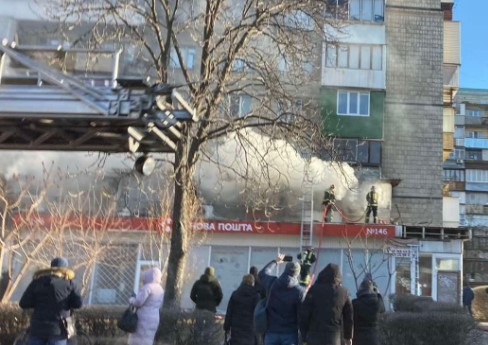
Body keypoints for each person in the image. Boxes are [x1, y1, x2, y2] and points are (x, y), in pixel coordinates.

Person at [19, 257, 83, 345]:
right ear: (65, 269)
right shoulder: (70, 284)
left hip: (37, 329)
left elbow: (23, 303)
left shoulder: (36, 282)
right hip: (59, 330)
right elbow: (78, 304)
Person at [299, 263, 353, 345]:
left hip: (314, 336)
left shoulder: (313, 290)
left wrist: (304, 336)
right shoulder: (343, 292)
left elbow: (304, 314)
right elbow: (349, 317)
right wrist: (348, 337)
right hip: (334, 337)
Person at [258, 254, 306, 345]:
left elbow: (262, 274)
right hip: (290, 333)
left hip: (271, 330)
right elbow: (301, 316)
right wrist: (304, 336)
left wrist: (275, 262)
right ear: (297, 273)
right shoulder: (300, 292)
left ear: (285, 270)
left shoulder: (272, 283)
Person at [128, 267, 164, 345]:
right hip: (154, 317)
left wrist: (131, 299)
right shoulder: (160, 289)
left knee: (138, 340)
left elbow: (138, 302)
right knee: (148, 340)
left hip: (143, 318)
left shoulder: (147, 287)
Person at [224, 274, 261, 345]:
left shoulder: (235, 294)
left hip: (236, 328)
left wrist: (226, 327)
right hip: (250, 329)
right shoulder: (256, 296)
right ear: (253, 283)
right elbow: (257, 315)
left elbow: (229, 312)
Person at [352, 277, 385, 345]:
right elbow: (383, 310)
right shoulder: (378, 302)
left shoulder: (355, 303)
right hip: (374, 338)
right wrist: (377, 293)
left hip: (358, 338)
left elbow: (351, 321)